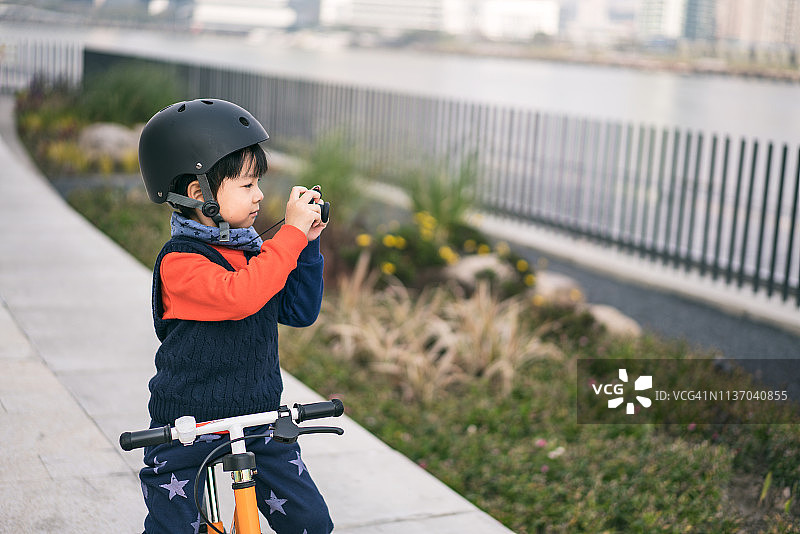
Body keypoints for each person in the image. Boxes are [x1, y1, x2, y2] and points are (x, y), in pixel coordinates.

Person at [136, 98, 332, 534]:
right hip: (188, 421)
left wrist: (307, 244)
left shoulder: (251, 253)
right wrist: (290, 236)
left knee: (312, 522)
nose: (260, 194)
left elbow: (298, 311)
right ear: (197, 194)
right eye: (247, 185)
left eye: (258, 183)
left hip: (259, 415)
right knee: (172, 526)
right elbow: (240, 297)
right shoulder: (180, 262)